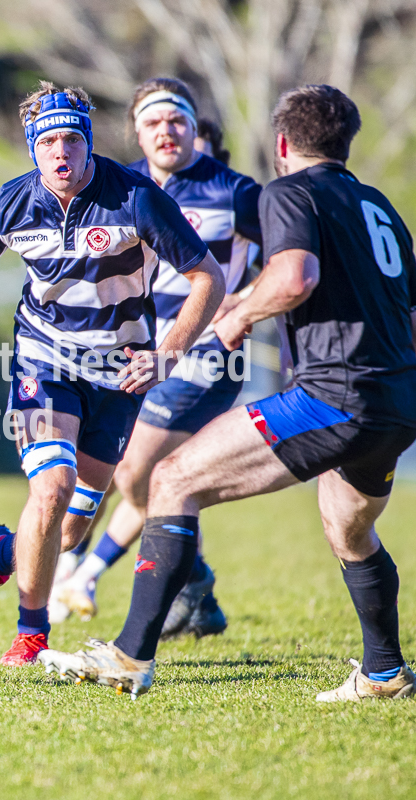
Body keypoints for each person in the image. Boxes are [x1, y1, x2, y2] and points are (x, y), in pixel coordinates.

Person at [39, 85, 416, 702]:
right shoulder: (379, 207)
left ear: (283, 144)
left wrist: (238, 318)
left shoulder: (287, 191)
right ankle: (385, 673)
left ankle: (131, 656)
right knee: (349, 530)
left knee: (173, 478)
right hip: (397, 400)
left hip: (331, 393)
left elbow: (294, 275)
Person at [0, 82, 225, 666]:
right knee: (52, 490)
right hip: (45, 359)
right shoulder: (11, 205)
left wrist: (168, 353)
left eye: (70, 139)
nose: (59, 152)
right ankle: (31, 633)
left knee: (66, 532)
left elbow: (208, 278)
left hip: (121, 372)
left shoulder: (136, 198)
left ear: (88, 144)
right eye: (47, 142)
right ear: (32, 149)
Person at [49, 79, 262, 639]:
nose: (166, 130)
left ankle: (84, 574)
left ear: (195, 128)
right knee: (137, 472)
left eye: (177, 120)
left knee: (136, 468)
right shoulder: (123, 188)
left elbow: (289, 258)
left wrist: (242, 303)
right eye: (153, 122)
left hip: (206, 356)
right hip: (134, 354)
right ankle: (193, 590)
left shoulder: (235, 191)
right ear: (136, 134)